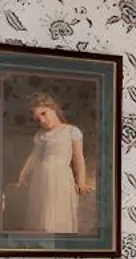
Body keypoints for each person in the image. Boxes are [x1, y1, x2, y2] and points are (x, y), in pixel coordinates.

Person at [11, 93, 92, 233]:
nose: (42, 120)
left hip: (61, 177)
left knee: (57, 212)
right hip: (41, 178)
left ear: (53, 109)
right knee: (42, 213)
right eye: (38, 119)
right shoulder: (41, 135)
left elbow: (78, 159)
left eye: (44, 113)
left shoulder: (71, 131)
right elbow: (34, 156)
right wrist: (22, 175)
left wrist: (81, 182)